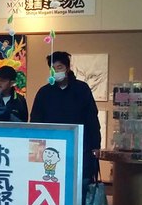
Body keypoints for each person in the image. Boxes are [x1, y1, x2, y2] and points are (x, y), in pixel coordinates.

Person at [30, 51, 101, 187]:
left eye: (60, 67)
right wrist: (36, 147)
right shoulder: (44, 92)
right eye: (53, 69)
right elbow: (35, 120)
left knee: (80, 182)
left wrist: (95, 145)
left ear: (67, 68)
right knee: (53, 182)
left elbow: (92, 117)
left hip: (80, 146)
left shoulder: (82, 89)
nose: (56, 71)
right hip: (52, 145)